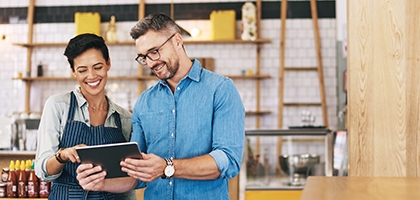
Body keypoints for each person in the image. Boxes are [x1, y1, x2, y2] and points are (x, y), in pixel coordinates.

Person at [76, 13, 245, 199]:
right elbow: (137, 173)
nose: (151, 62)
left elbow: (228, 160)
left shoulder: (220, 89)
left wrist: (167, 167)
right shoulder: (144, 102)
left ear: (178, 41)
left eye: (154, 51)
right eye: (143, 57)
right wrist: (101, 183)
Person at [35, 33, 136, 200]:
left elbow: (132, 175)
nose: (91, 76)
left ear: (108, 63)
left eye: (97, 67)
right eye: (82, 70)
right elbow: (42, 170)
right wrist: (63, 155)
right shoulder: (58, 106)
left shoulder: (124, 118)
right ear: (73, 71)